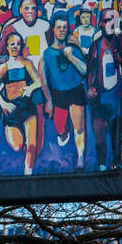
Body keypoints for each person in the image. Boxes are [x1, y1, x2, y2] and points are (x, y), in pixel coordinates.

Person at [1, 0, 50, 158]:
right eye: (26, 8)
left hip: (38, 80)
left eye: (33, 8)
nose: (30, 11)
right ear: (20, 10)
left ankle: (35, 151)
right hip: (19, 80)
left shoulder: (45, 26)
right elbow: (1, 54)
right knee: (17, 116)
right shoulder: (12, 28)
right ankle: (18, 142)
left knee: (38, 114)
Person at [43, 13, 89, 169]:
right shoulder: (47, 53)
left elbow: (84, 71)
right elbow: (46, 79)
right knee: (60, 129)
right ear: (53, 30)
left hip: (75, 90)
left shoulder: (74, 48)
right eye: (58, 27)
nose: (62, 30)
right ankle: (64, 132)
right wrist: (49, 100)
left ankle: (80, 158)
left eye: (64, 27)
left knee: (80, 127)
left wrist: (71, 58)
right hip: (59, 94)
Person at [0, 31, 42, 175]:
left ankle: (28, 173)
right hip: (11, 110)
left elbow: (38, 81)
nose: (15, 46)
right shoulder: (3, 67)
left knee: (32, 144)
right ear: (7, 47)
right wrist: (3, 104)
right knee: (17, 146)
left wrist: (31, 87)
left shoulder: (27, 63)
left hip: (27, 107)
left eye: (18, 44)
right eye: (12, 44)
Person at [86, 8, 121, 171]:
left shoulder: (121, 44)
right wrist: (90, 87)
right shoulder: (95, 46)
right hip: (100, 98)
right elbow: (91, 70)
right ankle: (101, 167)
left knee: (115, 135)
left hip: (115, 97)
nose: (111, 24)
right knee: (99, 137)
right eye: (108, 20)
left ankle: (114, 165)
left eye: (114, 20)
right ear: (101, 24)